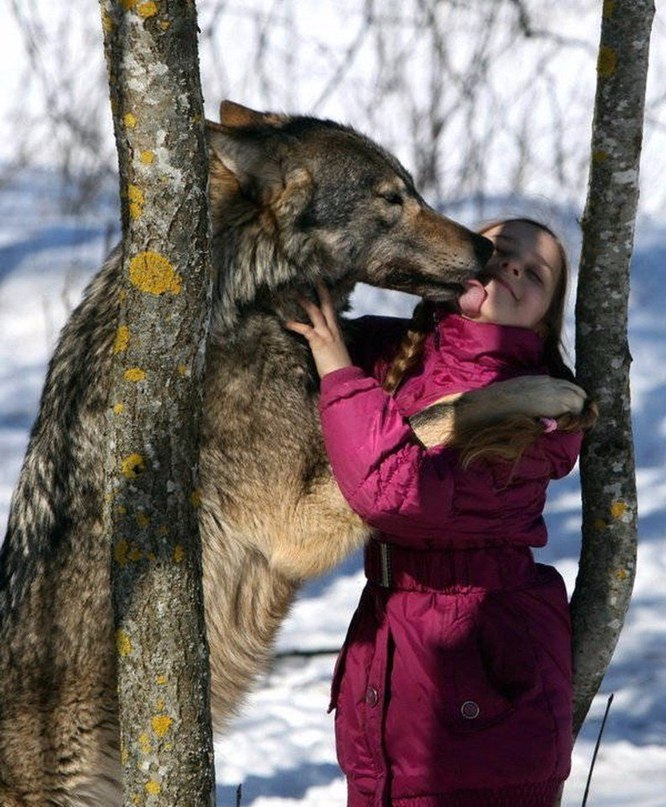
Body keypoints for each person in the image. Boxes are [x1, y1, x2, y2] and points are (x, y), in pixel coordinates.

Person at [286, 218, 595, 807]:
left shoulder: (545, 411)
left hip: (482, 668)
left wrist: (336, 367)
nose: (511, 267)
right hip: (390, 650)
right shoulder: (396, 353)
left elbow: (394, 494)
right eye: (499, 251)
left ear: (545, 317)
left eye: (534, 273)